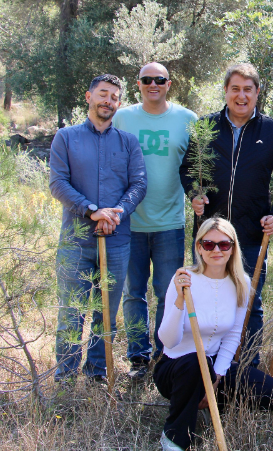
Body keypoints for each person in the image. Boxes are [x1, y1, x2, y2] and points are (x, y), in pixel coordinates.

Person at [179, 63, 273, 366]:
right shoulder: (205, 128)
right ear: (226, 91)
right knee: (207, 300)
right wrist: (194, 194)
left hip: (252, 236)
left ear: (257, 93)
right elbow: (188, 169)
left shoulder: (272, 131)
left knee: (249, 303)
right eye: (235, 89)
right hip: (210, 237)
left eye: (248, 89)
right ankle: (205, 364)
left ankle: (246, 367)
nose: (241, 96)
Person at [154, 217, 273, 451]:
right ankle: (174, 438)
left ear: (233, 248)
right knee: (196, 362)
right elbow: (168, 340)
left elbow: (233, 335)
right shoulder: (184, 279)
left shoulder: (241, 282)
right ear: (199, 248)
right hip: (175, 367)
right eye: (209, 244)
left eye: (224, 244)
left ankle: (205, 402)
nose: (216, 250)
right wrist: (178, 301)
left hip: (213, 365)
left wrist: (216, 379)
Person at [49, 74, 147, 382]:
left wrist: (116, 212)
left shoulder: (128, 142)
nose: (108, 101)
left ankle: (96, 372)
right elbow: (58, 183)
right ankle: (64, 378)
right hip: (76, 242)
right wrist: (92, 211)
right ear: (89, 96)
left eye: (115, 97)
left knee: (105, 314)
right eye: (103, 94)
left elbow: (139, 183)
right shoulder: (66, 137)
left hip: (116, 241)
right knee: (71, 314)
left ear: (118, 103)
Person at [113, 62, 197, 380]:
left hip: (169, 224)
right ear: (138, 84)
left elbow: (197, 167)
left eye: (159, 79)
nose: (153, 84)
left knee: (166, 293)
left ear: (168, 84)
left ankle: (164, 356)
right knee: (133, 293)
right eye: (147, 79)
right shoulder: (123, 118)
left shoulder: (187, 120)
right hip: (129, 224)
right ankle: (138, 357)